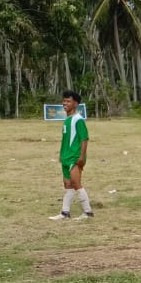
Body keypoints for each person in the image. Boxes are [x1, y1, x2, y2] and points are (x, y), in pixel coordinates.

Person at [50, 91, 93, 219]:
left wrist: (81, 157)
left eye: (68, 101)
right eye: (64, 101)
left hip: (75, 157)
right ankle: (65, 213)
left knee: (76, 183)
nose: (65, 103)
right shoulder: (67, 120)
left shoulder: (78, 120)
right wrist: (61, 154)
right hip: (66, 157)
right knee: (67, 185)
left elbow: (84, 139)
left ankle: (88, 212)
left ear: (76, 104)